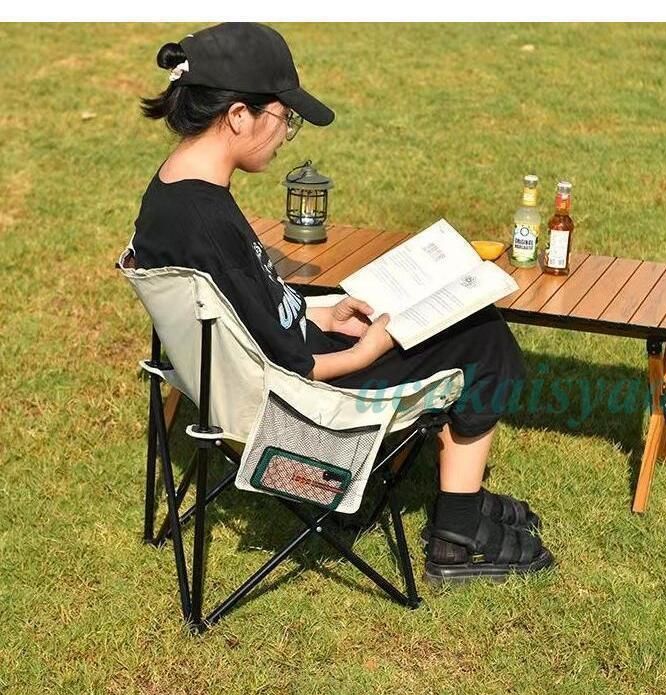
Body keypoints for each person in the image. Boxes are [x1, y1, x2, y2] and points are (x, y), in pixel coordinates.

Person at [131, 22, 554, 584]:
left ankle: (465, 502)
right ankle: (457, 531)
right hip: (300, 396)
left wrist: (322, 312)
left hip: (253, 372)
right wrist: (365, 351)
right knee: (483, 338)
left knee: (466, 325)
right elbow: (292, 366)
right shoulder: (208, 222)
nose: (285, 135)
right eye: (285, 117)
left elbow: (242, 308)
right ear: (237, 115)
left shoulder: (177, 193)